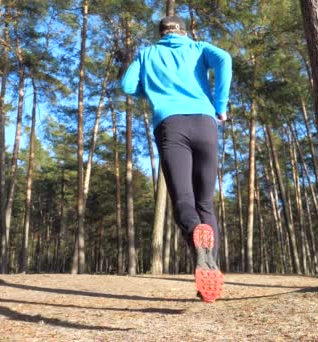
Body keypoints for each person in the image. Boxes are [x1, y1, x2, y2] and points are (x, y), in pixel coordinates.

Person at [121, 16, 232, 303]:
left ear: (160, 34)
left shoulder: (147, 53)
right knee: (205, 202)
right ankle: (211, 274)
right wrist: (220, 105)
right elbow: (224, 60)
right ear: (184, 31)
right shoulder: (198, 47)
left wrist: (157, 92)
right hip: (206, 123)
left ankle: (197, 240)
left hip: (171, 125)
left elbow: (128, 85)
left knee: (183, 199)